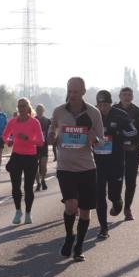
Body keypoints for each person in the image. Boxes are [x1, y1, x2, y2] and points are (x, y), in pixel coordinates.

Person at [48, 77, 104, 261]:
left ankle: (79, 246)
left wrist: (92, 138)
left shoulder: (93, 113)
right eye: (69, 91)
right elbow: (52, 132)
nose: (71, 95)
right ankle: (69, 236)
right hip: (65, 167)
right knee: (71, 206)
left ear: (83, 92)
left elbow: (101, 141)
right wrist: (51, 137)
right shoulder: (58, 112)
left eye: (75, 92)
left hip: (86, 167)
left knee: (85, 211)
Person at [92, 90, 137, 239]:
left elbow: (133, 132)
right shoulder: (91, 115)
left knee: (113, 194)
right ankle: (103, 228)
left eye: (105, 105)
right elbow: (80, 131)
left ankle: (117, 201)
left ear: (110, 104)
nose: (103, 108)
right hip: (97, 161)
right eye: (100, 105)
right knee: (99, 194)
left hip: (116, 160)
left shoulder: (120, 114)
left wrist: (118, 133)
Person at [2, 98, 45, 224]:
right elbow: (5, 135)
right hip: (16, 156)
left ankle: (28, 213)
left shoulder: (34, 122)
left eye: (24, 106)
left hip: (30, 157)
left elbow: (41, 142)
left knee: (28, 187)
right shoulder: (13, 122)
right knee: (15, 186)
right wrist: (8, 141)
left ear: (28, 108)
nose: (21, 108)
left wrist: (27, 139)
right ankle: (18, 211)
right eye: (19, 106)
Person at [117, 87, 139, 221]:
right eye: (124, 94)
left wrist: (135, 144)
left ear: (132, 96)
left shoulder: (138, 112)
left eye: (129, 94)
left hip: (133, 152)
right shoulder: (113, 111)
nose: (126, 97)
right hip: (116, 153)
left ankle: (127, 208)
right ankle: (117, 202)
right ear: (119, 96)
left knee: (131, 181)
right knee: (116, 181)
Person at [34, 103, 51, 191]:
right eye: (38, 110)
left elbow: (52, 132)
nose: (39, 111)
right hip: (34, 146)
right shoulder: (33, 120)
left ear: (43, 111)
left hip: (44, 146)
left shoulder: (48, 121)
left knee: (43, 166)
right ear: (36, 111)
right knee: (35, 166)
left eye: (41, 110)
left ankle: (43, 179)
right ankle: (38, 183)